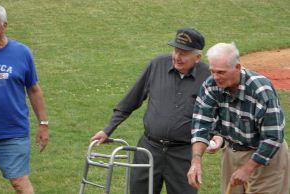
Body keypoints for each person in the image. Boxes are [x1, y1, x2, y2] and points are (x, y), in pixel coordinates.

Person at [91, 27, 210, 194]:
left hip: (183, 155)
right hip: (149, 150)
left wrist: (217, 138)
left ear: (197, 57)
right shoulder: (157, 65)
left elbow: (215, 114)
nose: (177, 57)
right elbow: (131, 99)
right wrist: (107, 129)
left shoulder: (208, 78)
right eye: (175, 50)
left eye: (183, 53)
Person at [187, 42, 290, 194]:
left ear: (237, 67)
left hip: (267, 154)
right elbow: (201, 124)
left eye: (221, 72)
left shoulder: (261, 90)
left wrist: (247, 169)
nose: (215, 77)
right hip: (233, 151)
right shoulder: (210, 86)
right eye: (212, 71)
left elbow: (273, 137)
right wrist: (196, 160)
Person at [0, 4, 49, 194]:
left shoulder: (21, 53)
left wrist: (43, 123)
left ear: (4, 25)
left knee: (19, 182)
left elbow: (34, 89)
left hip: (12, 132)